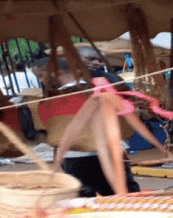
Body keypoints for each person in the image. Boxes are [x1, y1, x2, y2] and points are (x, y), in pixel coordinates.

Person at [31, 56, 141, 197]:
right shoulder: (104, 90)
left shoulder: (52, 101)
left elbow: (53, 135)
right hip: (111, 153)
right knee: (125, 199)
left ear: (57, 72)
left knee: (83, 203)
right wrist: (121, 144)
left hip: (76, 158)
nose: (41, 81)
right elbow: (132, 115)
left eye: (41, 75)